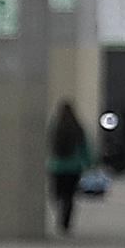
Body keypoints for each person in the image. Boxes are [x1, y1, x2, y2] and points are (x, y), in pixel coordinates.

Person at [48, 99, 92, 234]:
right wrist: (88, 162)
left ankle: (60, 213)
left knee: (57, 194)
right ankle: (65, 222)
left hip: (57, 167)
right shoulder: (78, 128)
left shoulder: (55, 128)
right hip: (74, 167)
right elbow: (85, 147)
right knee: (70, 196)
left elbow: (48, 146)